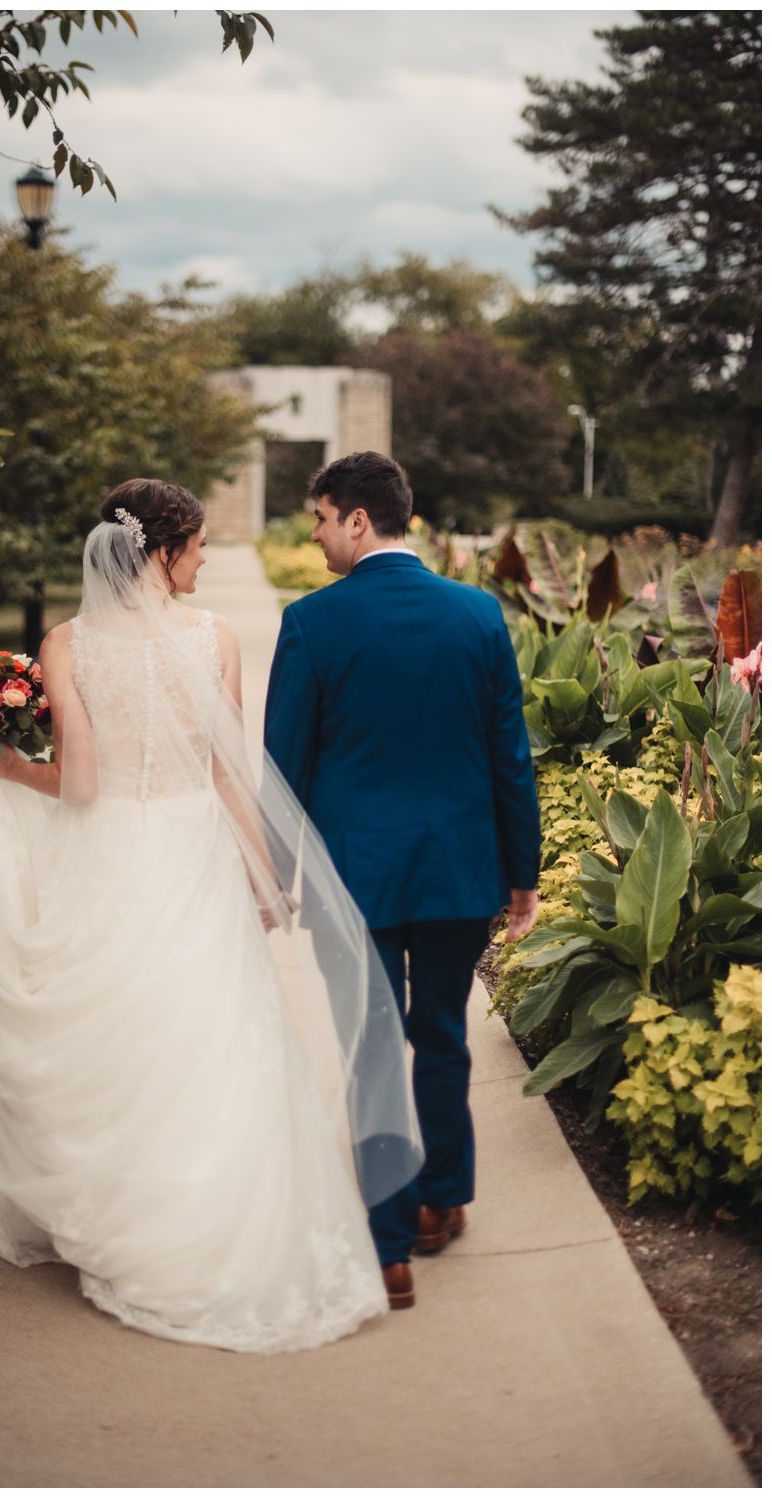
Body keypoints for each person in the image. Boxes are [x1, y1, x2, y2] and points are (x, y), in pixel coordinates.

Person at [0, 479, 422, 1353]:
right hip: (195, 852)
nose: (203, 562)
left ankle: (118, 1207)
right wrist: (265, 877)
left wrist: (9, 770)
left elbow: (81, 784)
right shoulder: (214, 638)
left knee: (114, 1033)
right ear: (160, 551)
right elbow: (230, 774)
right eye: (195, 547)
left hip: (108, 854)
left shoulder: (67, 643)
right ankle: (205, 1212)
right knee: (205, 1033)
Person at [265, 452, 540, 1310]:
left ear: (357, 519)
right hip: (459, 869)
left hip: (353, 879)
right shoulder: (478, 613)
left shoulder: (311, 622)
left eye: (320, 519)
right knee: (444, 1036)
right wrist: (521, 874)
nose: (315, 537)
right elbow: (510, 757)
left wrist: (275, 874)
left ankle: (389, 1250)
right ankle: (441, 1200)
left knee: (372, 1048)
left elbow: (282, 770)